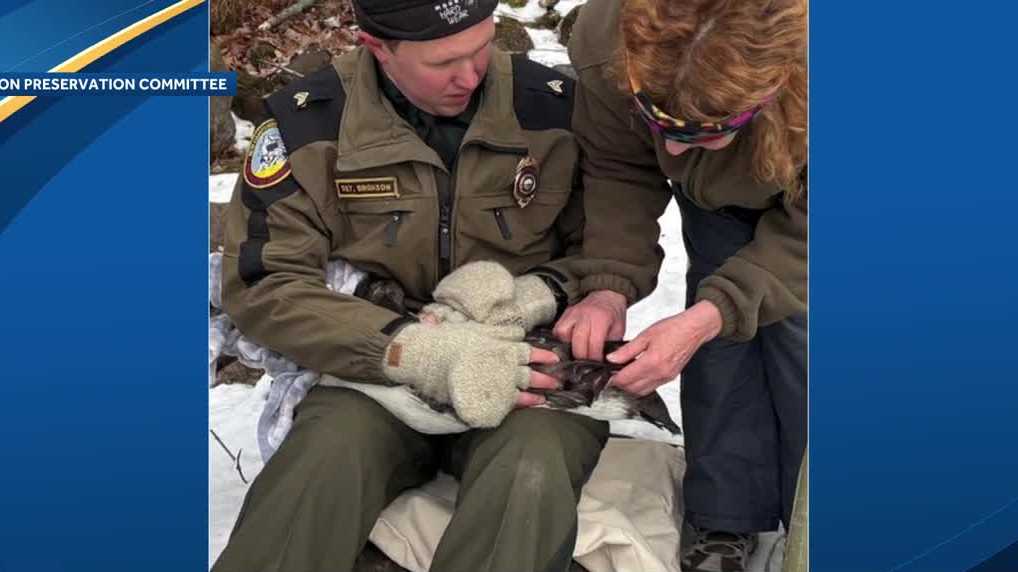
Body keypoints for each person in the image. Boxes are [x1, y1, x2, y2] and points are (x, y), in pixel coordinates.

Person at [211, 1, 609, 571]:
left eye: (482, 47)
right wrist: (406, 347)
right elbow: (265, 281)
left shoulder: (554, 110)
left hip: (524, 362)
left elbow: (611, 249)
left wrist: (541, 293)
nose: (470, 76)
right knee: (319, 467)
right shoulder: (309, 126)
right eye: (442, 62)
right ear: (378, 47)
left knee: (532, 470)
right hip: (373, 371)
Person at [556, 0, 808, 570]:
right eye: (659, 123)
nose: (669, 148)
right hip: (718, 187)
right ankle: (725, 515)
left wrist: (718, 311)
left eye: (697, 132)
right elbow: (619, 168)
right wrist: (609, 284)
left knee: (802, 341)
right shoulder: (607, 38)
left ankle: (819, 525)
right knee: (717, 333)